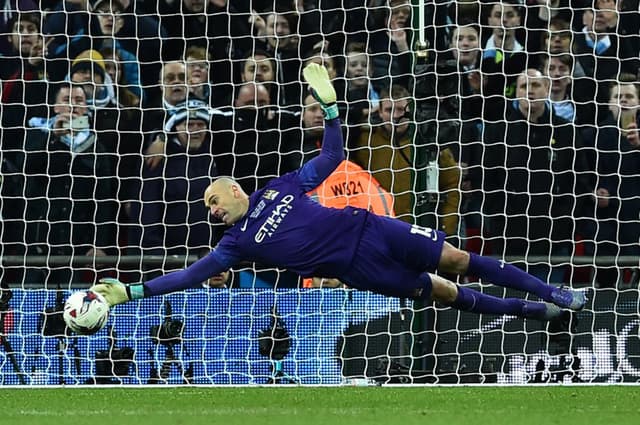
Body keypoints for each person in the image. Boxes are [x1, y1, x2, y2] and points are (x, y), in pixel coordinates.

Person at [91, 64, 586, 322]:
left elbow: (329, 161)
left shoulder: (278, 187)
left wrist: (330, 111)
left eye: (214, 200)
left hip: (373, 228)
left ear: (234, 190)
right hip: (358, 268)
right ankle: (534, 311)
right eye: (208, 208)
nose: (213, 210)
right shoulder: (235, 244)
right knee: (443, 291)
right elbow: (190, 274)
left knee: (456, 258)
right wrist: (131, 292)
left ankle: (553, 291)